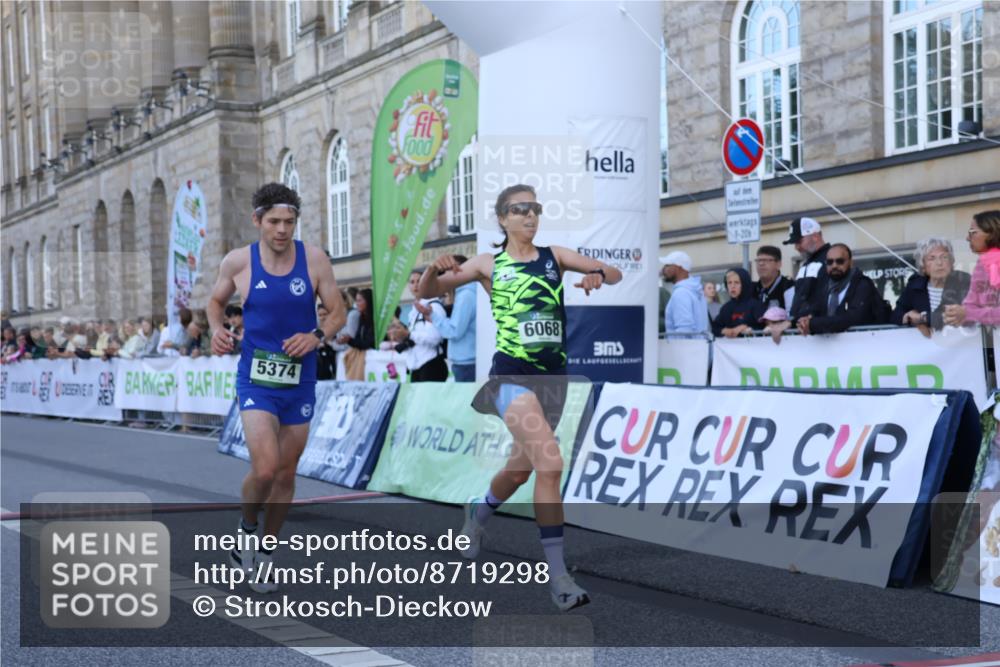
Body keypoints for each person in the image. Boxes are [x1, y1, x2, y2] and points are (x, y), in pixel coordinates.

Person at [417, 184, 622, 611]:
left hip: (554, 380)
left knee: (519, 472)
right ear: (503, 218)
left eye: (536, 209)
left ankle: (479, 510)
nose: (530, 216)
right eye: (520, 209)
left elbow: (615, 273)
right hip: (511, 376)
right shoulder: (488, 264)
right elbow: (425, 292)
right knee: (551, 462)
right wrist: (435, 271)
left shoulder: (556, 256)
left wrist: (597, 275)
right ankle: (559, 578)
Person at [207, 182, 346, 593]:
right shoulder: (239, 262)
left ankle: (267, 551)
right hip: (256, 380)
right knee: (265, 467)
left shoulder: (315, 260)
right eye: (274, 222)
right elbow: (215, 302)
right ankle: (246, 530)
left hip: (300, 380)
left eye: (289, 222)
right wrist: (216, 329)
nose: (283, 230)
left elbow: (337, 313)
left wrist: (316, 335)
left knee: (286, 474)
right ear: (257, 221)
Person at [797, 243, 884, 335]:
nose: (834, 266)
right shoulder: (824, 287)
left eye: (840, 261)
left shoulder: (862, 284)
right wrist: (795, 322)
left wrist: (813, 324)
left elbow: (851, 318)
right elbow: (813, 310)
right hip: (831, 347)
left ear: (850, 263)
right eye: (830, 262)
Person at [892, 237, 972, 332]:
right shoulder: (915, 285)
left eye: (944, 257)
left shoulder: (964, 281)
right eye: (932, 258)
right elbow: (895, 316)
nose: (939, 263)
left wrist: (921, 318)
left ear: (951, 262)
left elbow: (948, 317)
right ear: (923, 266)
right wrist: (908, 317)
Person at [945, 210, 1000, 328]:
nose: (967, 238)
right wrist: (955, 314)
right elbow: (970, 304)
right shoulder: (981, 264)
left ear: (992, 233)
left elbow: (969, 312)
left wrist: (968, 314)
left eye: (973, 232)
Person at [430, 255, 477, 381]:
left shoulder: (466, 295)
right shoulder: (467, 292)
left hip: (467, 365)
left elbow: (454, 331)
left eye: (448, 269)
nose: (444, 276)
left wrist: (432, 315)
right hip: (467, 363)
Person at [402, 269, 448, 382]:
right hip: (416, 366)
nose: (415, 285)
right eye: (412, 282)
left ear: (426, 283)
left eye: (419, 281)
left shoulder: (434, 306)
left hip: (431, 365)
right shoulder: (413, 311)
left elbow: (435, 338)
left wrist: (409, 334)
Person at [784, 217, 831, 321]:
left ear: (815, 236)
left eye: (799, 241)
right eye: (795, 243)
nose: (796, 247)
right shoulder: (805, 265)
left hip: (820, 330)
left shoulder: (831, 260)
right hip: (802, 329)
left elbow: (825, 298)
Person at [660, 251, 709, 336]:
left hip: (684, 348)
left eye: (667, 265)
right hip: (699, 346)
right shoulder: (696, 290)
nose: (663, 269)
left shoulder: (681, 293)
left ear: (678, 267)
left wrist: (679, 348)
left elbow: (684, 330)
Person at [712, 268, 763, 338]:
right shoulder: (726, 308)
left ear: (744, 284)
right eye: (729, 283)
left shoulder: (755, 305)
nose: (732, 286)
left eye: (736, 282)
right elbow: (715, 328)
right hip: (730, 347)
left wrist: (748, 329)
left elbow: (765, 327)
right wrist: (726, 330)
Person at [753, 245, 795, 311]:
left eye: (766, 260)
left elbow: (792, 316)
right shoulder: (753, 289)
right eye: (758, 260)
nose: (761, 264)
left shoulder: (788, 287)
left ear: (778, 264)